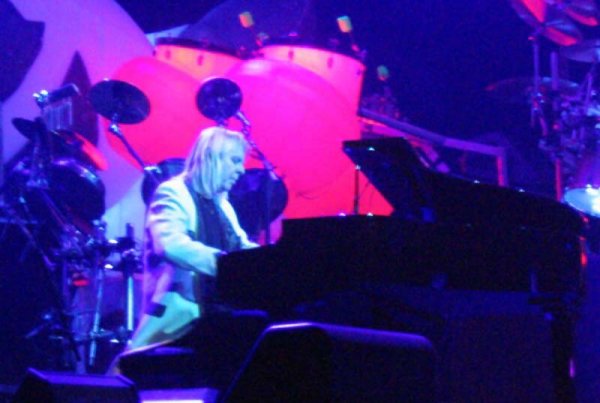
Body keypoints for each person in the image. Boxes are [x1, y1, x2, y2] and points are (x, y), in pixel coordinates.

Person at [127, 125, 259, 351]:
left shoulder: (223, 206)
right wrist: (227, 264)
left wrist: (271, 260)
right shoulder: (172, 192)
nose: (241, 170)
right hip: (178, 324)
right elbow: (170, 245)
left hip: (216, 319)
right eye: (235, 161)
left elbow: (242, 246)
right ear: (212, 157)